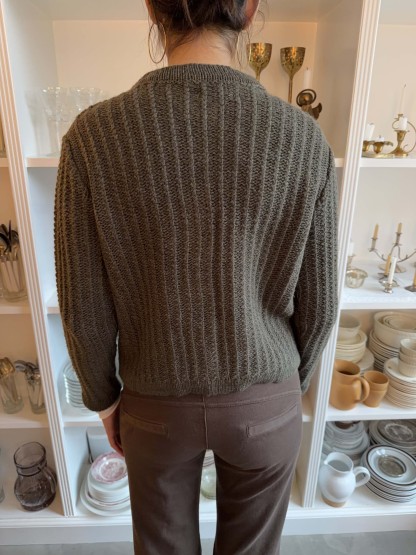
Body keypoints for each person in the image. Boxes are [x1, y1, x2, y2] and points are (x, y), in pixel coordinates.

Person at [54, 0, 338, 553]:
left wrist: (104, 400)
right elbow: (321, 305)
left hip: (154, 404)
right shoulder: (304, 138)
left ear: (151, 7)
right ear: (250, 10)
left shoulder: (92, 138)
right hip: (267, 399)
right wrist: (282, 390)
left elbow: (84, 307)